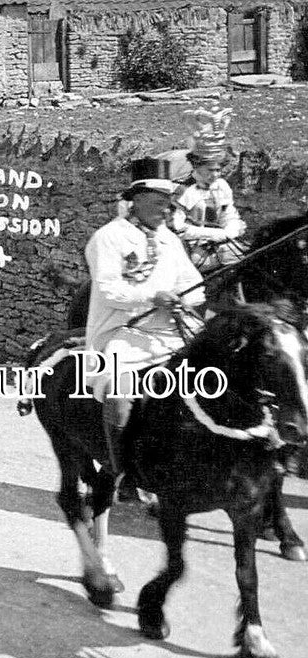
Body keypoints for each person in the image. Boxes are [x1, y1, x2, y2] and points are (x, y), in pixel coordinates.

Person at [85, 157, 206, 474]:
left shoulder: (169, 239)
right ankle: (120, 469)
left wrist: (185, 300)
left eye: (169, 204)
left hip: (170, 329)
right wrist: (153, 296)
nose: (167, 211)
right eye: (158, 203)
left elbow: (193, 286)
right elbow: (109, 290)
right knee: (118, 386)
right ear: (136, 201)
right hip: (123, 332)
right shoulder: (109, 237)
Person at [170, 105, 246, 269]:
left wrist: (231, 229)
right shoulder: (183, 189)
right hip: (190, 249)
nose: (216, 175)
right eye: (210, 170)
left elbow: (228, 213)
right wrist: (214, 234)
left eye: (218, 169)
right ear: (197, 167)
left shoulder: (222, 186)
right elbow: (177, 227)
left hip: (222, 245)